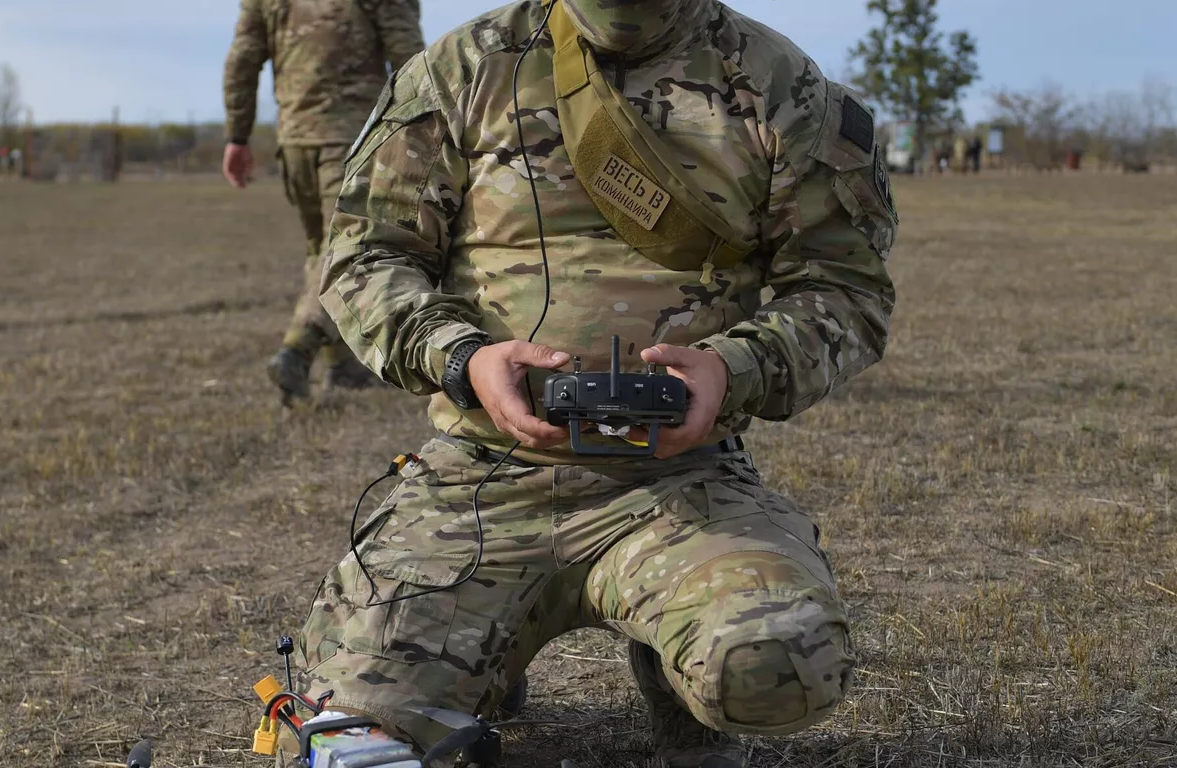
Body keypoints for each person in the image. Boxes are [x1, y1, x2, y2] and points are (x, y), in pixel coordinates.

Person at [302, 0, 897, 764]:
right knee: (356, 731)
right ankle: (483, 650)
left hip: (681, 482)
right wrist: (462, 358)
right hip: (481, 484)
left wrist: (732, 370)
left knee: (776, 664)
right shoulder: (467, 68)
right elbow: (365, 257)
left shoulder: (777, 83)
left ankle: (684, 677)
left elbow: (847, 288)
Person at [223, 0, 425, 403]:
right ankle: (297, 350)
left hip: (295, 142)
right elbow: (409, 58)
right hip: (353, 138)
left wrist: (237, 136)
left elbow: (242, 60)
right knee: (345, 254)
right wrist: (427, 125)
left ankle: (343, 366)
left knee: (322, 250)